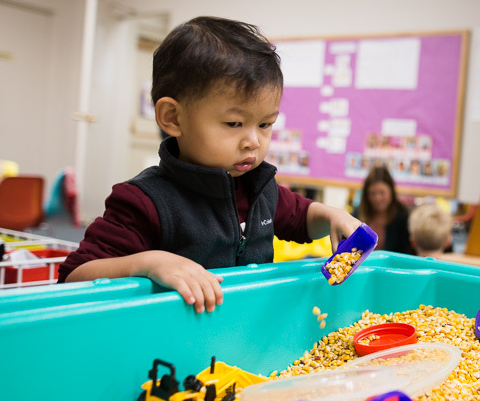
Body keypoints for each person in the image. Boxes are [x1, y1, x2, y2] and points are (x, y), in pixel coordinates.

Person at [59, 17, 361, 313]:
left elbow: (301, 216)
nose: (253, 141)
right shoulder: (143, 201)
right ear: (173, 118)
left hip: (241, 335)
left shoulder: (259, 187)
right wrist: (149, 263)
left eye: (266, 124)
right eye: (234, 123)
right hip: (171, 348)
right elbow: (75, 275)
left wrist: (332, 216)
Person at [357, 166, 412, 254]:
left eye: (382, 193)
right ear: (366, 195)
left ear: (391, 192)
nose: (377, 198)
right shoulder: (358, 213)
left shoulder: (403, 216)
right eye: (372, 193)